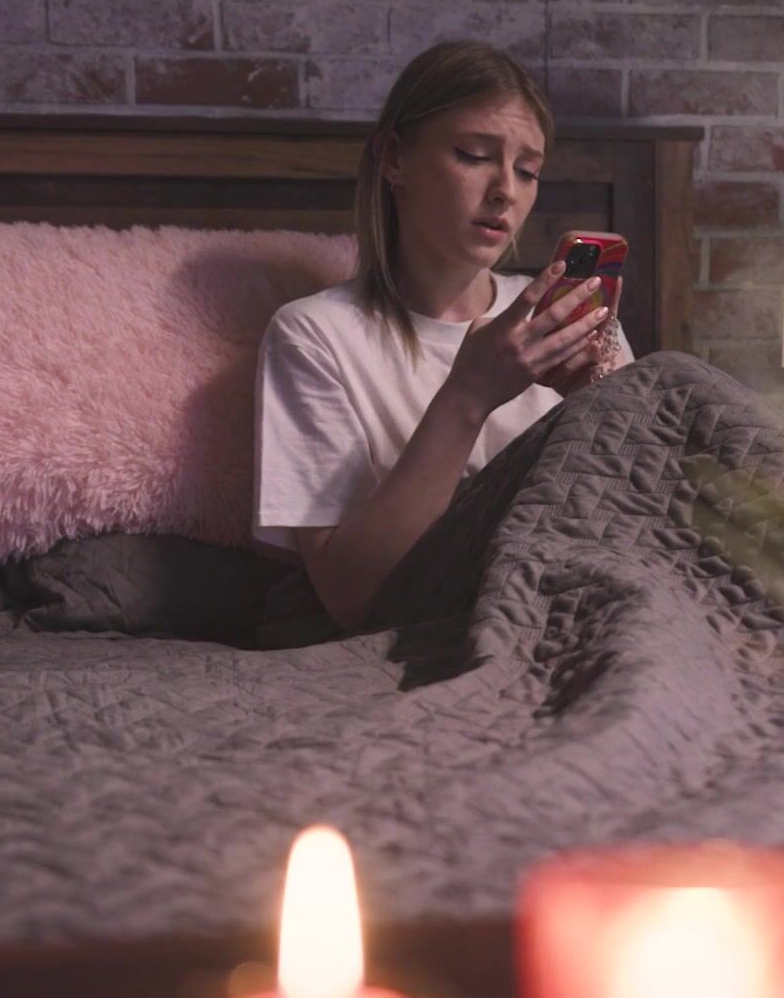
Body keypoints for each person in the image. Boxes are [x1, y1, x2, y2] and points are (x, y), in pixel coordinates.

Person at [253, 40, 635, 633]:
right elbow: (350, 597)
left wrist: (596, 405)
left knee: (677, 385)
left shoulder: (565, 322)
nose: (507, 190)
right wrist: (467, 397)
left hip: (590, 606)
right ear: (394, 158)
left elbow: (640, 527)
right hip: (450, 619)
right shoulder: (314, 336)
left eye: (528, 170)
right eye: (474, 155)